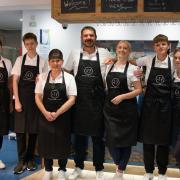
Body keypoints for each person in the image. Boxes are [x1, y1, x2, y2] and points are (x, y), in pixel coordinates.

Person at [63, 26, 113, 180]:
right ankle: (78, 167)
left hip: (98, 103)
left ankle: (99, 169)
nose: (88, 38)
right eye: (86, 35)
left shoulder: (104, 53)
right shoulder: (74, 53)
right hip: (80, 103)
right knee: (79, 139)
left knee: (98, 139)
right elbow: (65, 72)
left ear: (95, 37)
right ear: (81, 37)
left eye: (91, 35)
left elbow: (115, 66)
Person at [129, 34, 173, 180]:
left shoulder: (174, 63)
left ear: (168, 46)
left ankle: (162, 173)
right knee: (148, 141)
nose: (160, 47)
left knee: (163, 142)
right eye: (158, 44)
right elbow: (132, 61)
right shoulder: (147, 59)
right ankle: (148, 172)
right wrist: (116, 59)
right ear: (154, 47)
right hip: (149, 105)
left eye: (163, 44)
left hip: (166, 107)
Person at [35, 49, 77, 180]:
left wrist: (57, 113)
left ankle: (62, 170)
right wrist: (45, 113)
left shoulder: (69, 78)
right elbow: (37, 97)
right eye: (52, 61)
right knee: (45, 142)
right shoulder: (42, 77)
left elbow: (72, 99)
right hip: (45, 116)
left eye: (58, 61)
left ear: (62, 62)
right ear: (49, 62)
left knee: (62, 142)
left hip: (63, 116)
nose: (55, 63)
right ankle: (48, 170)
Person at [104, 40, 142, 180]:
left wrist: (122, 96)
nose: (122, 50)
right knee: (111, 142)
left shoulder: (133, 69)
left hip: (127, 111)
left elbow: (139, 90)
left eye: (125, 48)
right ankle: (118, 164)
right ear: (116, 49)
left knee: (126, 142)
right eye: (120, 47)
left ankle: (120, 171)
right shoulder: (109, 66)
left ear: (129, 51)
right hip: (110, 110)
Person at [12, 32, 48, 174]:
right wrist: (17, 101)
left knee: (33, 131)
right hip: (21, 100)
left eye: (32, 43)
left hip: (35, 101)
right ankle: (21, 160)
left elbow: (45, 82)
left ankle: (30, 158)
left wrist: (41, 79)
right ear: (24, 45)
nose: (30, 46)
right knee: (20, 132)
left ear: (36, 43)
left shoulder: (43, 61)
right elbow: (15, 81)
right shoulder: (20, 60)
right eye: (27, 44)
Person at [0, 40, 12, 169]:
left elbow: (9, 83)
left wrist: (10, 103)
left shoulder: (7, 62)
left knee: (0, 131)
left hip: (3, 101)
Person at [171, 48, 180, 167]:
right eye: (176, 58)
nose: (178, 60)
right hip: (173, 114)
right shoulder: (171, 75)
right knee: (174, 141)